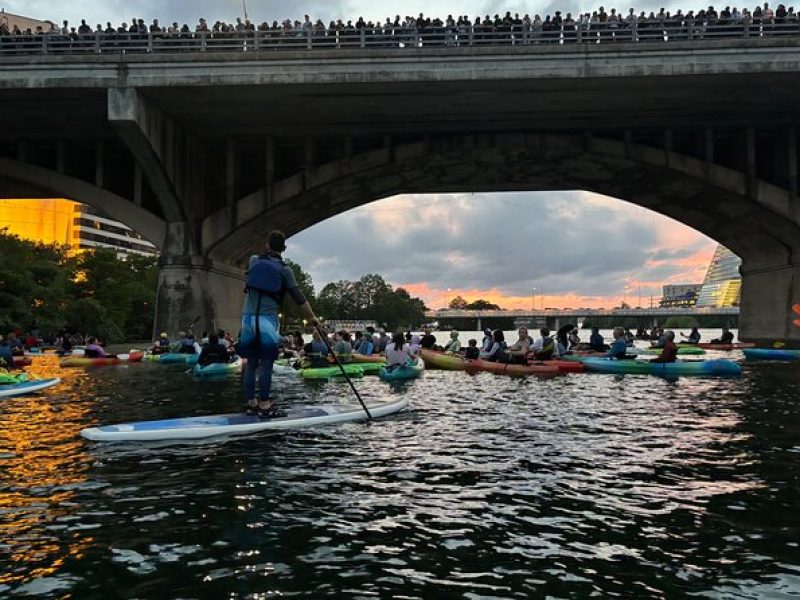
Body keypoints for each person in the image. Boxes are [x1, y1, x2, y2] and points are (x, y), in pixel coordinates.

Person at [240, 230, 318, 418]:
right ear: (284, 248)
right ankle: (265, 405)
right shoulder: (285, 270)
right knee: (266, 363)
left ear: (267, 245)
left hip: (248, 319)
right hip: (267, 321)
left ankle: (251, 404)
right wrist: (314, 319)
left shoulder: (253, 261)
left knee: (251, 363)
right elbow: (299, 299)